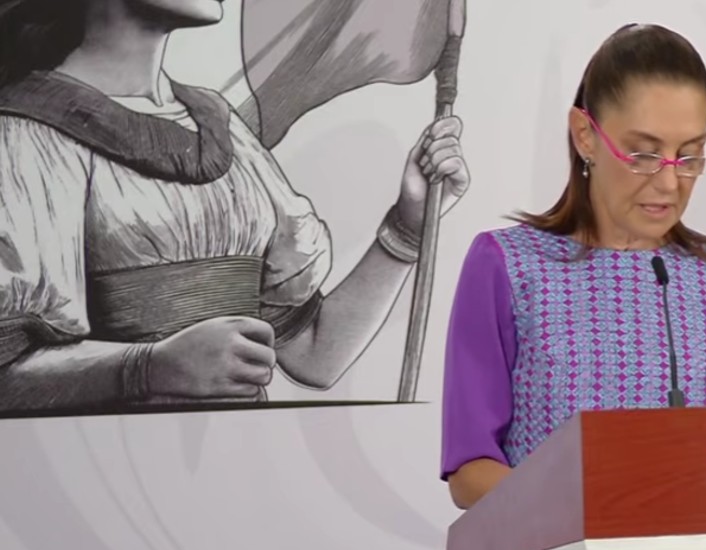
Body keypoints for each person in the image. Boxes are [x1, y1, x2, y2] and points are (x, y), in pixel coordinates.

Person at [440, 23, 706, 550]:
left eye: (690, 153)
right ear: (586, 135)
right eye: (644, 152)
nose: (669, 181)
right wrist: (594, 517)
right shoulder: (508, 265)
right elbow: (470, 469)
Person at [0, 0, 469, 412]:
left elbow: (313, 356)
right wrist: (149, 367)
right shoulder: (23, 135)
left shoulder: (224, 128)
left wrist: (408, 225)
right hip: (107, 477)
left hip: (238, 472)